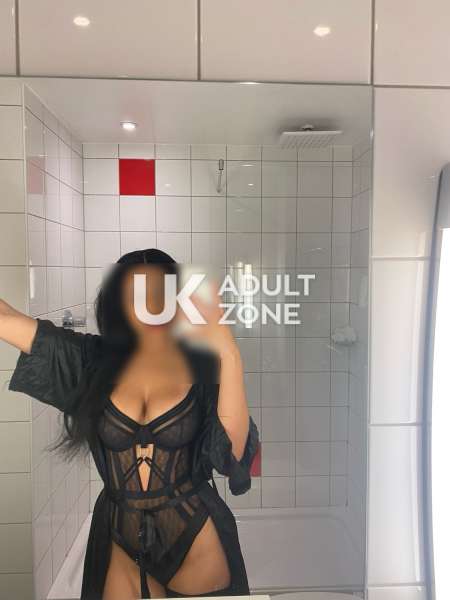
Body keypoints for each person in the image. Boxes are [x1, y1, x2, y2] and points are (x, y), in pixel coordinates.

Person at [0, 248, 259, 600]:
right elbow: (5, 318)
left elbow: (233, 453)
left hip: (196, 537)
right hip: (118, 536)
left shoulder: (202, 365)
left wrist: (227, 349)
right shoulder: (89, 360)